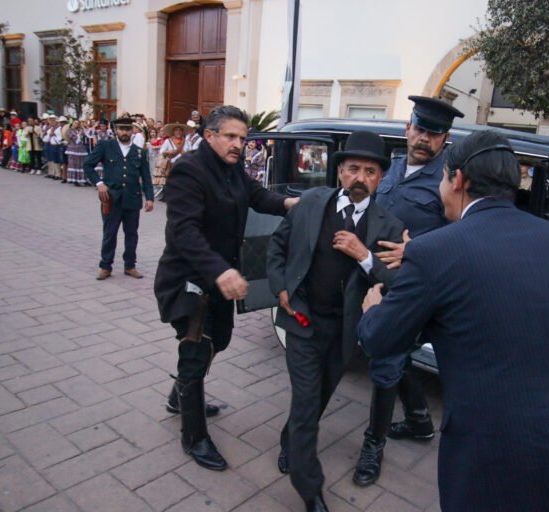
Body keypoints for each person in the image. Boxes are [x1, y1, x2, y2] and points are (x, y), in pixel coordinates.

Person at [358, 130, 549, 512]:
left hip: (496, 463)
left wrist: (373, 312)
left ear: (458, 180)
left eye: (442, 179)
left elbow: (381, 341)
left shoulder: (435, 251)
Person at [153, 106, 297, 473]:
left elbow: (259, 198)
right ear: (210, 135)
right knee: (195, 350)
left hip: (220, 281)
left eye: (244, 138)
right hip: (189, 281)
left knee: (221, 339)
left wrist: (291, 204)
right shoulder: (189, 170)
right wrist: (220, 272)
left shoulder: (234, 169)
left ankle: (178, 398)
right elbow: (183, 232)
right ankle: (194, 436)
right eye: (231, 137)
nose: (238, 144)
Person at [267, 131, 404, 512]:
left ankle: (289, 441)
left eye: (370, 171)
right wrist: (280, 286)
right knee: (308, 399)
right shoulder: (311, 203)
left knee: (318, 397)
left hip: (346, 331)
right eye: (353, 169)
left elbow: (396, 281)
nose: (361, 177)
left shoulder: (390, 226)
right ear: (340, 172)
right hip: (302, 320)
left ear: (380, 178)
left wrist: (364, 256)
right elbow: (278, 245)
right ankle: (310, 490)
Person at [351, 96, 464, 487]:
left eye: (433, 134)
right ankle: (418, 421)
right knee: (391, 354)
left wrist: (415, 248)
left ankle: (372, 445)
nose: (423, 139)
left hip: (413, 287)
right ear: (407, 129)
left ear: (444, 139)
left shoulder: (451, 180)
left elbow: (461, 237)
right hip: (369, 277)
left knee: (383, 359)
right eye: (419, 129)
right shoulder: (391, 169)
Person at [83, 117, 154, 280]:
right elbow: (88, 165)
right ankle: (106, 266)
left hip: (132, 198)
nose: (124, 132)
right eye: (121, 129)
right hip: (111, 198)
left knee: (131, 233)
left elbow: (146, 176)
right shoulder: (106, 146)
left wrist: (149, 198)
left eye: (128, 129)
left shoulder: (139, 151)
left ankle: (130, 265)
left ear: (132, 131)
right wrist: (99, 183)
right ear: (115, 130)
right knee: (110, 233)